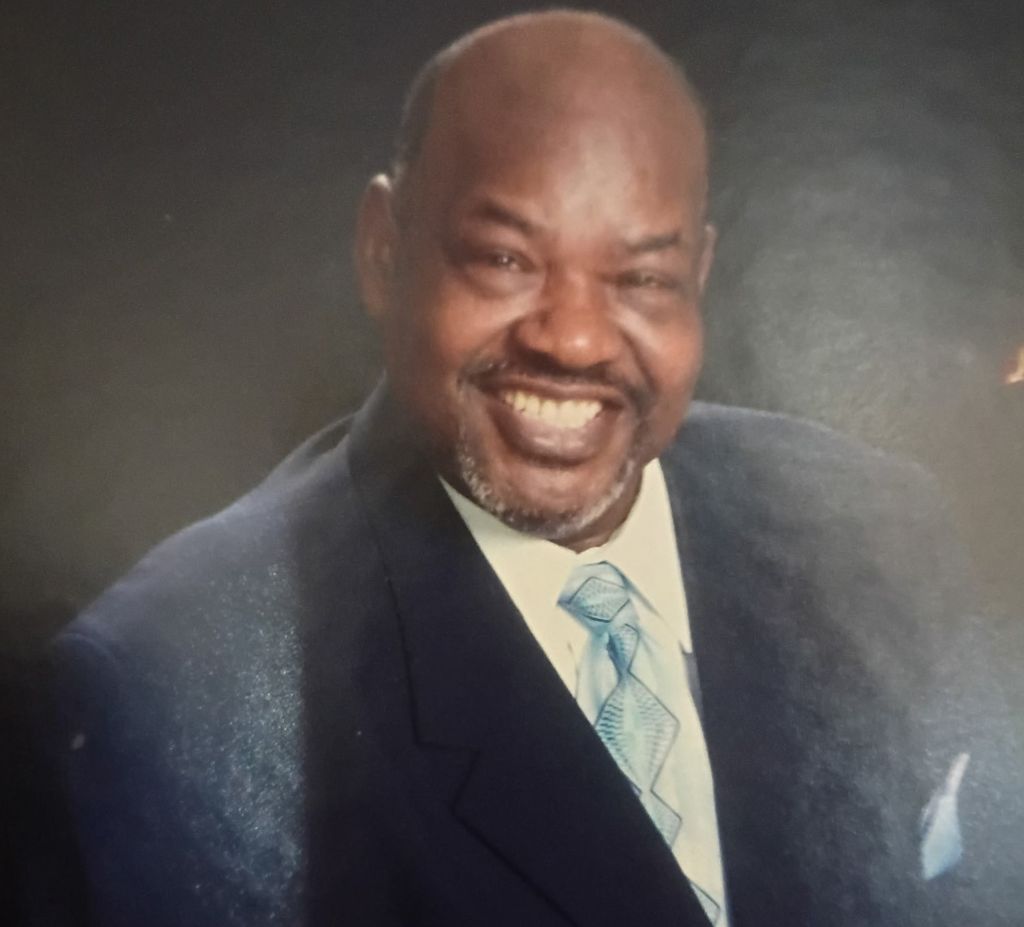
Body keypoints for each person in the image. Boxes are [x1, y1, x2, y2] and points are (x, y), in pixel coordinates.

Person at [45, 10, 1022, 927]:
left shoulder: (876, 525)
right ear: (383, 252)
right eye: (506, 260)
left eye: (641, 276)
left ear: (699, 276)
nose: (574, 338)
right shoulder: (178, 691)